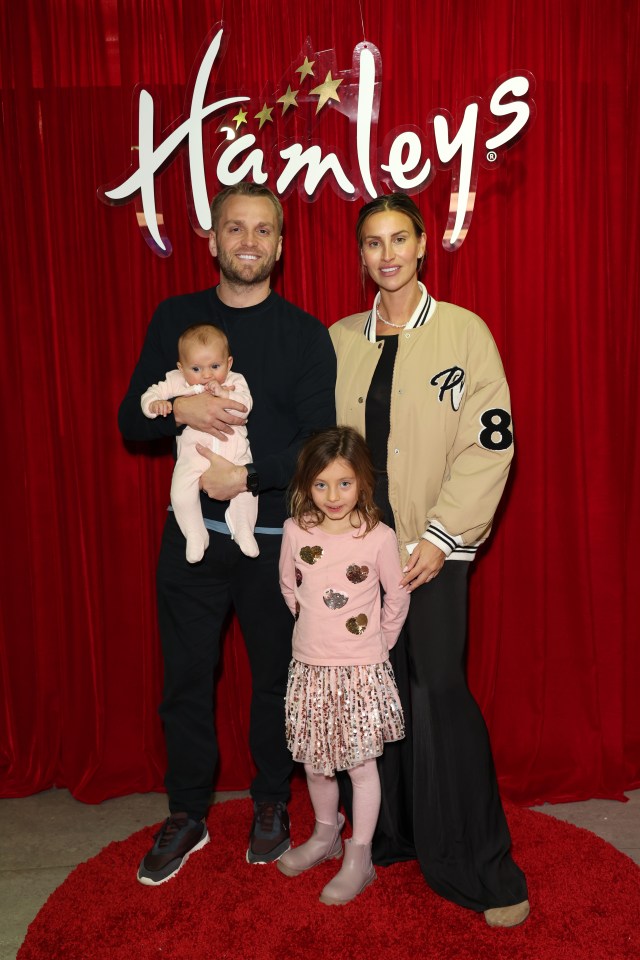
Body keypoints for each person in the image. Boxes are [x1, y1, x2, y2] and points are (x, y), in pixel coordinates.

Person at [118, 182, 336, 885]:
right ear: (211, 240)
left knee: (276, 679)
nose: (249, 241)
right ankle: (187, 813)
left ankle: (272, 803)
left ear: (280, 244)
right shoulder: (175, 317)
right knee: (185, 680)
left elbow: (317, 444)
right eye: (235, 229)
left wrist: (245, 480)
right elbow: (131, 420)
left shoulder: (304, 333)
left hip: (273, 538)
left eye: (263, 230)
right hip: (191, 538)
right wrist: (181, 406)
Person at [329, 192, 529, 927]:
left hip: (434, 552)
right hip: (358, 557)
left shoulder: (464, 333)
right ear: (361, 256)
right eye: (373, 243)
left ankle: (478, 863)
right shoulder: (340, 338)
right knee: (375, 696)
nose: (387, 255)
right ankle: (391, 835)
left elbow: (491, 440)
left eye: (399, 240)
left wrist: (442, 537)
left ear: (421, 247)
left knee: (436, 687)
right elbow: (323, 452)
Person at [277, 426, 409, 905]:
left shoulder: (377, 537)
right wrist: (315, 632)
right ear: (306, 485)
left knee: (359, 765)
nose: (333, 496)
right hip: (311, 668)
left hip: (359, 671)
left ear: (363, 483)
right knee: (316, 765)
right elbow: (289, 588)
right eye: (321, 484)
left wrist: (377, 646)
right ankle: (325, 836)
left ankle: (360, 854)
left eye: (345, 483)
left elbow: (396, 597)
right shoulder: (296, 531)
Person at [141, 323, 259, 562]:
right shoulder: (176, 381)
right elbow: (149, 394)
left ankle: (243, 528)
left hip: (234, 453)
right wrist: (156, 406)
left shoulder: (235, 380)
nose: (207, 374)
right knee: (181, 492)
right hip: (193, 455)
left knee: (247, 490)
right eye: (196, 368)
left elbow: (245, 407)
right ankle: (195, 533)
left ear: (229, 362)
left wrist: (225, 394)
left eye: (215, 366)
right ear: (181, 367)